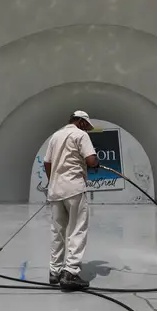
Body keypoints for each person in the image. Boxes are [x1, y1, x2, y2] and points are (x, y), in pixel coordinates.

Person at [43, 110, 99, 290]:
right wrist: (95, 163)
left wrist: (53, 181)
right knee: (77, 229)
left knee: (57, 231)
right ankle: (70, 273)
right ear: (81, 122)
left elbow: (47, 162)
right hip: (74, 189)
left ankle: (55, 272)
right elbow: (90, 160)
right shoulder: (80, 135)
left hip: (55, 191)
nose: (88, 130)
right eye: (87, 127)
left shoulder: (55, 136)